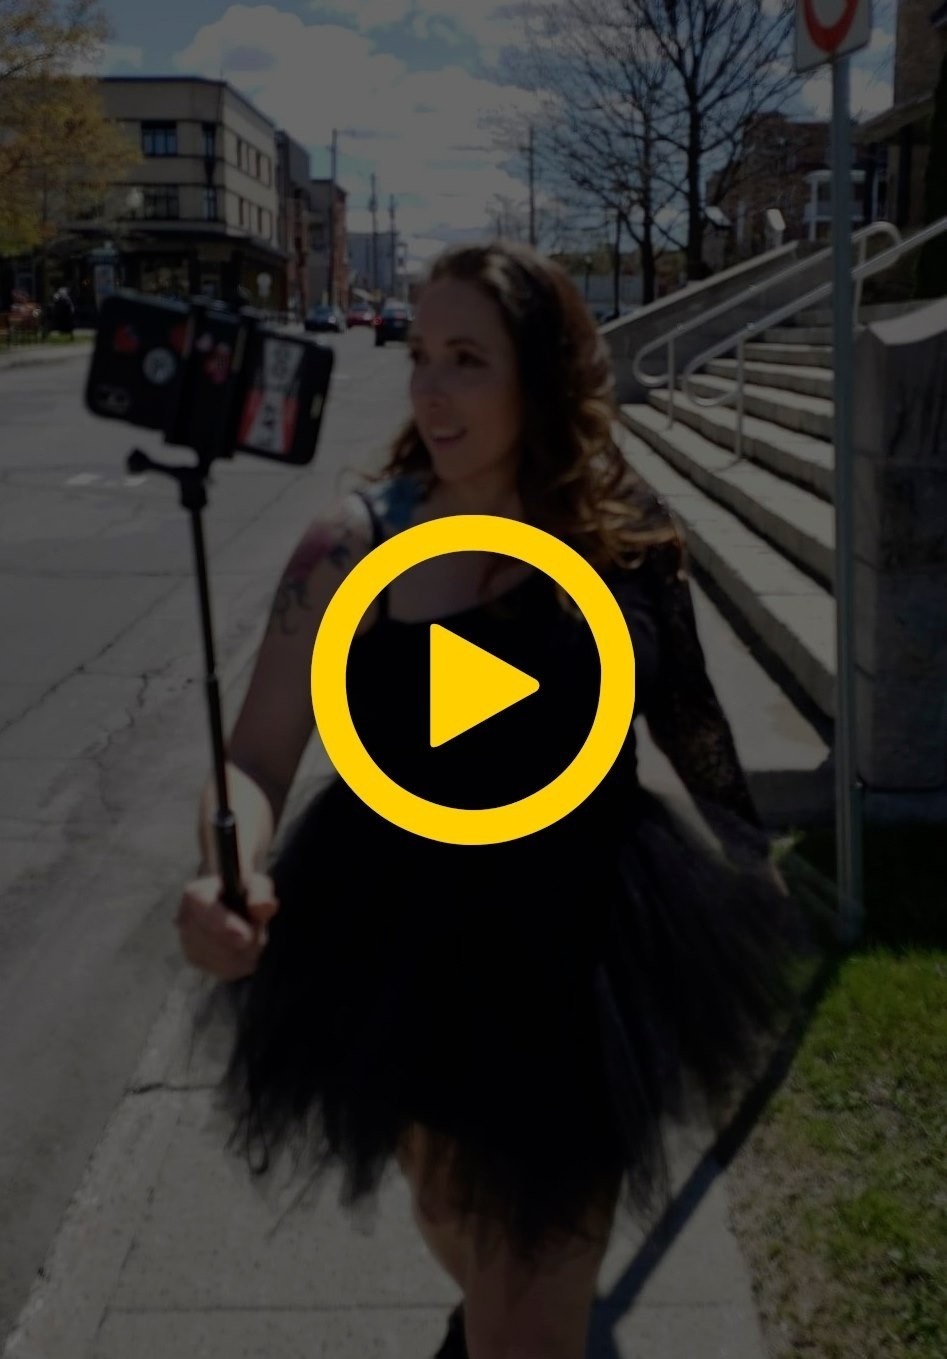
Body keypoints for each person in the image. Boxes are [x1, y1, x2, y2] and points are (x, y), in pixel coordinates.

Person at [176, 240, 821, 1359]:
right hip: (402, 944)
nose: (429, 390)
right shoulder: (350, 543)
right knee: (452, 1213)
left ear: (542, 374)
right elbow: (260, 755)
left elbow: (690, 720)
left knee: (528, 1308)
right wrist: (226, 868)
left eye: (466, 360)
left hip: (581, 946)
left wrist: (751, 871)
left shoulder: (622, 531)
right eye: (421, 356)